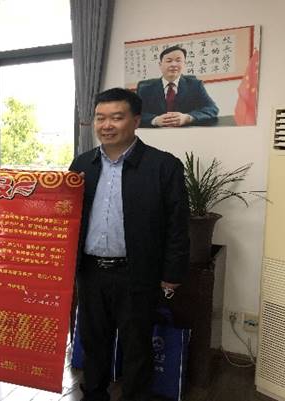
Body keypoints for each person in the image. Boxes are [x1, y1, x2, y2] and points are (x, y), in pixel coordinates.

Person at [69, 88, 189, 401]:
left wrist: (172, 275)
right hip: (91, 272)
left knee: (137, 345)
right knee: (93, 341)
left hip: (138, 272)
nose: (106, 125)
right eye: (100, 118)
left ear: (136, 121)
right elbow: (67, 217)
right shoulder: (82, 164)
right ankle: (94, 395)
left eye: (116, 117)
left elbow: (178, 225)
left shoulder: (163, 166)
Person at [137, 45, 219, 128]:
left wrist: (187, 117)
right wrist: (155, 120)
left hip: (186, 132)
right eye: (169, 61)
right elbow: (136, 114)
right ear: (160, 64)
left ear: (184, 64)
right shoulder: (146, 88)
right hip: (155, 133)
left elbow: (212, 109)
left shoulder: (195, 85)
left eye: (178, 60)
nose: (173, 64)